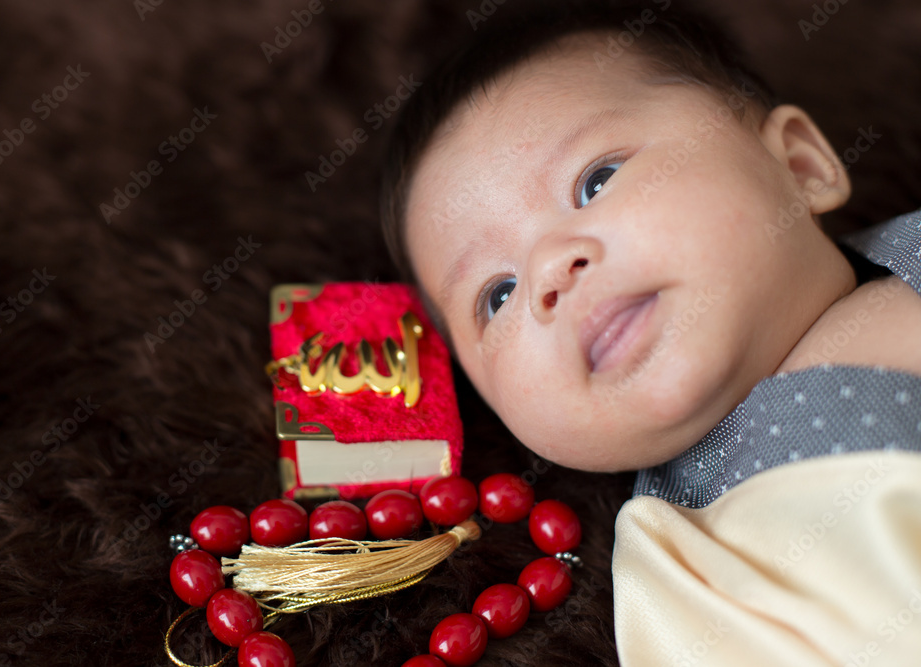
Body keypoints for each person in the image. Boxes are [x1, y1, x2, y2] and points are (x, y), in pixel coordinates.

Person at [378, 2, 921, 665]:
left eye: (595, 181)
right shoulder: (679, 563)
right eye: (498, 294)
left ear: (799, 166)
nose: (549, 268)